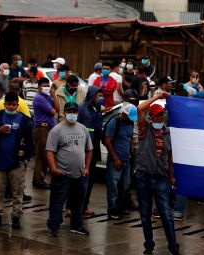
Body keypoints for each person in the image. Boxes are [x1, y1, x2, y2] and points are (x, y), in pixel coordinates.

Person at [135, 92, 183, 255]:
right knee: (145, 214)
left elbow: (170, 157)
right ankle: (149, 246)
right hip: (143, 177)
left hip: (161, 178)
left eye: (161, 115)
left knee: (166, 215)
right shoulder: (144, 128)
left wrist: (171, 176)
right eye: (156, 115)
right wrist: (157, 97)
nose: (159, 118)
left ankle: (173, 247)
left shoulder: (168, 133)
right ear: (150, 117)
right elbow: (140, 107)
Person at [0, 91, 33, 229]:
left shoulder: (25, 120)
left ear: (18, 105)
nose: (11, 107)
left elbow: (30, 143)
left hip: (16, 164)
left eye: (14, 105)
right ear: (4, 104)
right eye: (9, 104)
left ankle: (16, 217)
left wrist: (25, 160)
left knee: (17, 192)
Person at [46, 102, 93, 237]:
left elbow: (89, 150)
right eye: (69, 111)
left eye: (75, 111)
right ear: (65, 113)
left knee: (79, 200)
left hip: (80, 173)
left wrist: (87, 168)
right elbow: (50, 151)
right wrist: (54, 168)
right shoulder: (56, 130)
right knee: (58, 200)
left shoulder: (83, 129)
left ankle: (76, 225)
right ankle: (54, 225)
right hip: (63, 174)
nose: (72, 114)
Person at [104, 103, 137, 219]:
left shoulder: (130, 123)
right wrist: (115, 158)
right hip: (115, 161)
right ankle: (112, 210)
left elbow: (130, 139)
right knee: (113, 186)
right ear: (124, 113)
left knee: (125, 186)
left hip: (126, 161)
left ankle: (121, 207)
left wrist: (130, 152)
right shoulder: (115, 122)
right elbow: (108, 142)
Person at [76, 86, 104, 217]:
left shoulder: (97, 109)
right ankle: (72, 206)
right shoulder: (82, 108)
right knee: (79, 178)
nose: (100, 98)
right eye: (98, 96)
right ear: (92, 95)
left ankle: (84, 205)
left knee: (90, 178)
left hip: (94, 147)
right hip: (83, 148)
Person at [32, 77, 58, 189]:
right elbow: (53, 111)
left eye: (48, 86)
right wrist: (52, 100)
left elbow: (58, 108)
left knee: (44, 154)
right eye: (45, 86)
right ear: (39, 87)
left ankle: (38, 179)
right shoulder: (39, 98)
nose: (47, 88)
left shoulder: (47, 97)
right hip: (42, 129)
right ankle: (39, 180)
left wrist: (54, 95)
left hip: (48, 129)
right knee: (41, 155)